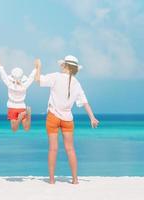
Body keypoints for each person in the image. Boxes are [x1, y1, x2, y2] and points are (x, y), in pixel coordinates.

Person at [35, 55, 99, 184]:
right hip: (68, 119)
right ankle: (75, 180)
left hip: (53, 117)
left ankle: (52, 180)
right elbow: (85, 102)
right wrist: (92, 117)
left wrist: (38, 67)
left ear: (65, 66)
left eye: (62, 64)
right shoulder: (77, 83)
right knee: (70, 149)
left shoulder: (55, 77)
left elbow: (38, 80)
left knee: (53, 148)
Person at [0, 62, 37, 132]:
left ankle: (19, 119)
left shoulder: (9, 84)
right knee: (26, 128)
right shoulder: (24, 85)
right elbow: (31, 78)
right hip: (22, 106)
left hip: (12, 106)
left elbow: (3, 76)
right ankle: (28, 116)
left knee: (14, 129)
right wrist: (36, 68)